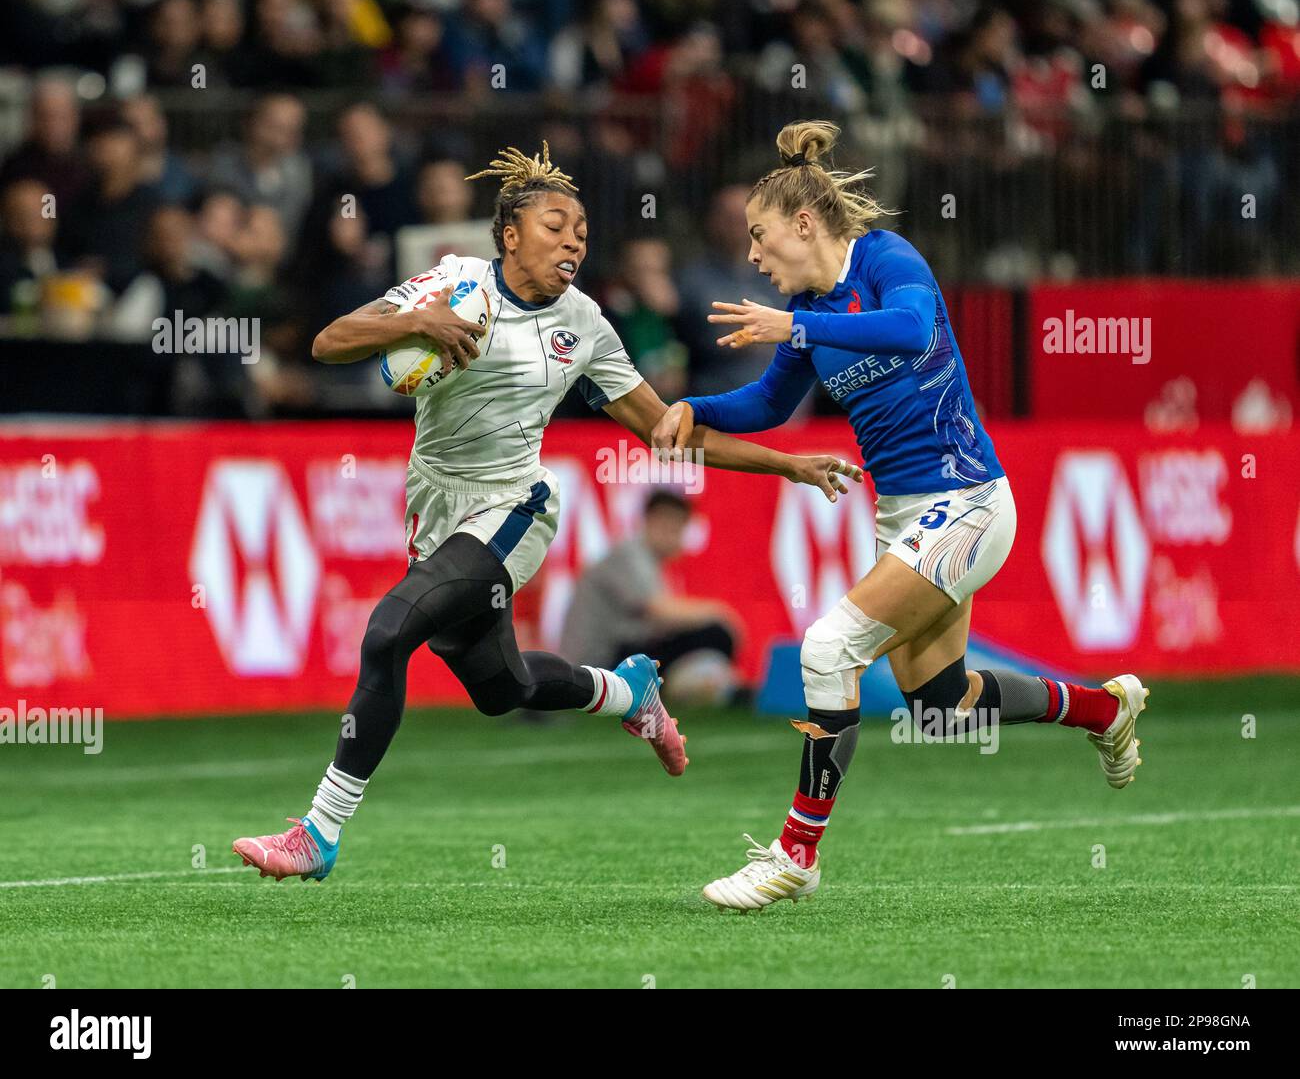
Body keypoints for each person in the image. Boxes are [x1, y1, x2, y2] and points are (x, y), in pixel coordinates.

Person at [232, 142, 860, 883]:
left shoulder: (585, 325)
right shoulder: (451, 284)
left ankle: (319, 833)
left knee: (388, 631)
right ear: (508, 236)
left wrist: (788, 463)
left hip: (514, 509)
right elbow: (329, 342)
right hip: (437, 506)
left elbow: (666, 427)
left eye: (582, 235)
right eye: (557, 227)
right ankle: (630, 691)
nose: (573, 243)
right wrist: (415, 324)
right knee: (504, 689)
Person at [652, 120, 1148, 912]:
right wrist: (692, 405)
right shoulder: (809, 311)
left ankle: (795, 855)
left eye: (759, 236)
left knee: (829, 646)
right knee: (942, 705)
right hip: (906, 514)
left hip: (970, 501)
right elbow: (767, 405)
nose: (751, 256)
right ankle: (1104, 707)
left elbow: (913, 329)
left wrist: (798, 327)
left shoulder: (883, 260)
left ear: (804, 225)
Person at [561, 491, 740, 706]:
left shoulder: (649, 561)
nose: (675, 537)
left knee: (708, 634)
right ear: (651, 521)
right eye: (670, 528)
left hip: (615, 658)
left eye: (678, 530)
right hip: (600, 666)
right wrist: (719, 612)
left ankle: (706, 686)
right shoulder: (630, 554)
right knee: (713, 632)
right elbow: (658, 610)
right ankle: (695, 688)